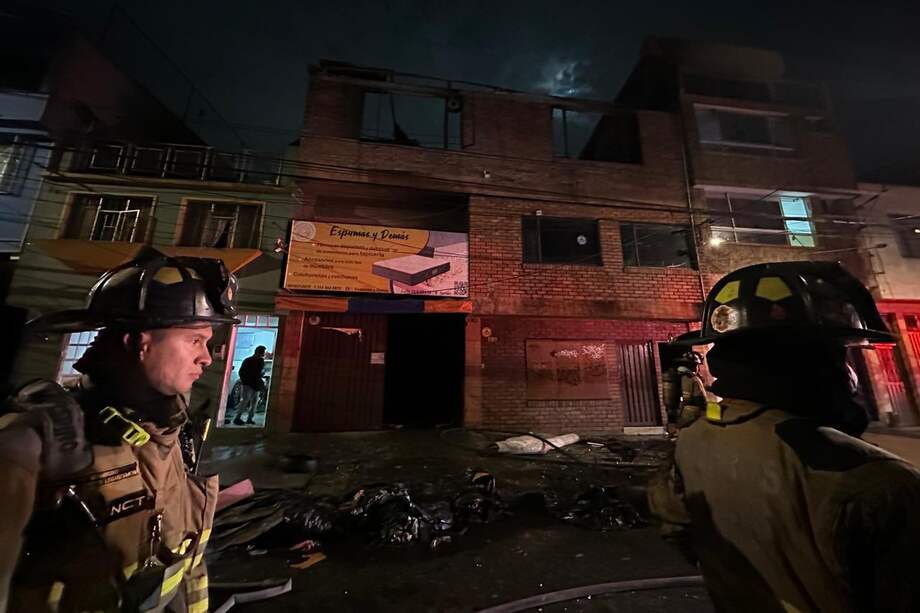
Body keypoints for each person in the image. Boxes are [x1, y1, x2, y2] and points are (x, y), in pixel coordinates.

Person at [648, 261, 920, 613]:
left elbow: (677, 526)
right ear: (815, 362)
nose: (850, 373)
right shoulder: (879, 482)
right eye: (842, 353)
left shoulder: (694, 441)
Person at [0, 253, 239, 613]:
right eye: (194, 340)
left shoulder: (168, 434)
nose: (206, 358)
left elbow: (184, 561)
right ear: (139, 343)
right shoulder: (31, 446)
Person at [232, 346, 266, 426]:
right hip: (249, 384)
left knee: (252, 402)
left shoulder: (255, 360)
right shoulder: (250, 360)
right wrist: (246, 381)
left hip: (253, 384)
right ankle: (239, 418)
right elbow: (242, 372)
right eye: (262, 352)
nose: (263, 354)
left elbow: (243, 372)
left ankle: (247, 418)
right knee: (246, 401)